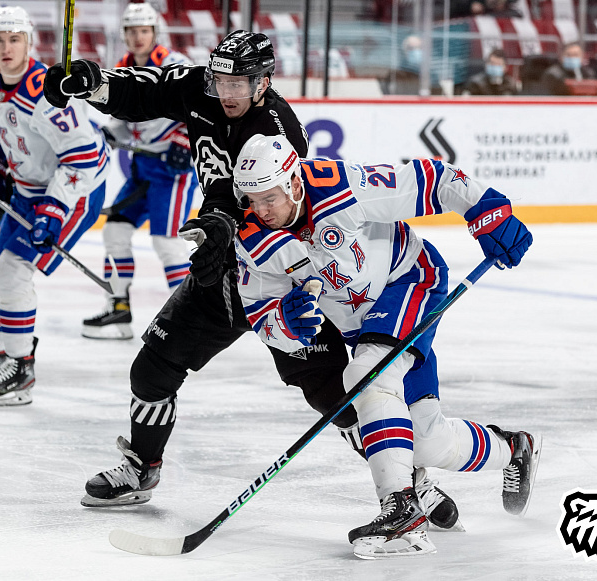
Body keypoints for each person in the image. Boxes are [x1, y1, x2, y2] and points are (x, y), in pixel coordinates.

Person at [42, 30, 460, 527]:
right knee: (152, 369)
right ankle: (141, 466)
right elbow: (147, 92)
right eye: (222, 80)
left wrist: (222, 225)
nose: (229, 92)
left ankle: (410, 479)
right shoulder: (204, 88)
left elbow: (272, 218)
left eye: (241, 82)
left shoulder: (278, 132)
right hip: (221, 272)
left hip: (279, 278)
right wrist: (90, 84)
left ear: (264, 82)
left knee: (339, 398)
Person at [232, 134, 541, 558]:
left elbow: (434, 178)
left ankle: (400, 511)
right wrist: (287, 322)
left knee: (365, 376)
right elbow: (262, 320)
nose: (260, 210)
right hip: (362, 329)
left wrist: (488, 213)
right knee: (428, 441)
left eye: (269, 197)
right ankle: (513, 448)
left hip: (411, 281)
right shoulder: (252, 240)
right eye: (251, 199)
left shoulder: (341, 187)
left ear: (294, 184)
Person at [0, 6, 108, 407]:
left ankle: (22, 369)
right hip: (26, 190)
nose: (5, 48)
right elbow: (0, 131)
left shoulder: (47, 92)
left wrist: (54, 208)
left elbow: (83, 156)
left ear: (29, 43)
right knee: (0, 270)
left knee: (13, 271)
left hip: (74, 191)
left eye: (14, 40)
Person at [82, 3, 198, 340]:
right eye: (131, 31)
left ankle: (188, 320)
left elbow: (199, 105)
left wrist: (183, 140)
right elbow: (122, 119)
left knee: (168, 244)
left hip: (170, 172)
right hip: (141, 169)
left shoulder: (173, 64)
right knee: (114, 232)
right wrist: (109, 135)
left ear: (154, 33)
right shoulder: (121, 68)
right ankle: (118, 311)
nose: (137, 37)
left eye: (143, 30)